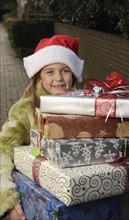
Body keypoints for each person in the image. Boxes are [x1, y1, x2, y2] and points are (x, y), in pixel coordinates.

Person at [0, 35, 84, 220]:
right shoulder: (26, 110)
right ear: (38, 75)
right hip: (36, 204)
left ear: (74, 74)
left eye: (65, 70)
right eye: (50, 72)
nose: (59, 79)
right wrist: (7, 201)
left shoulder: (85, 105)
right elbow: (2, 152)